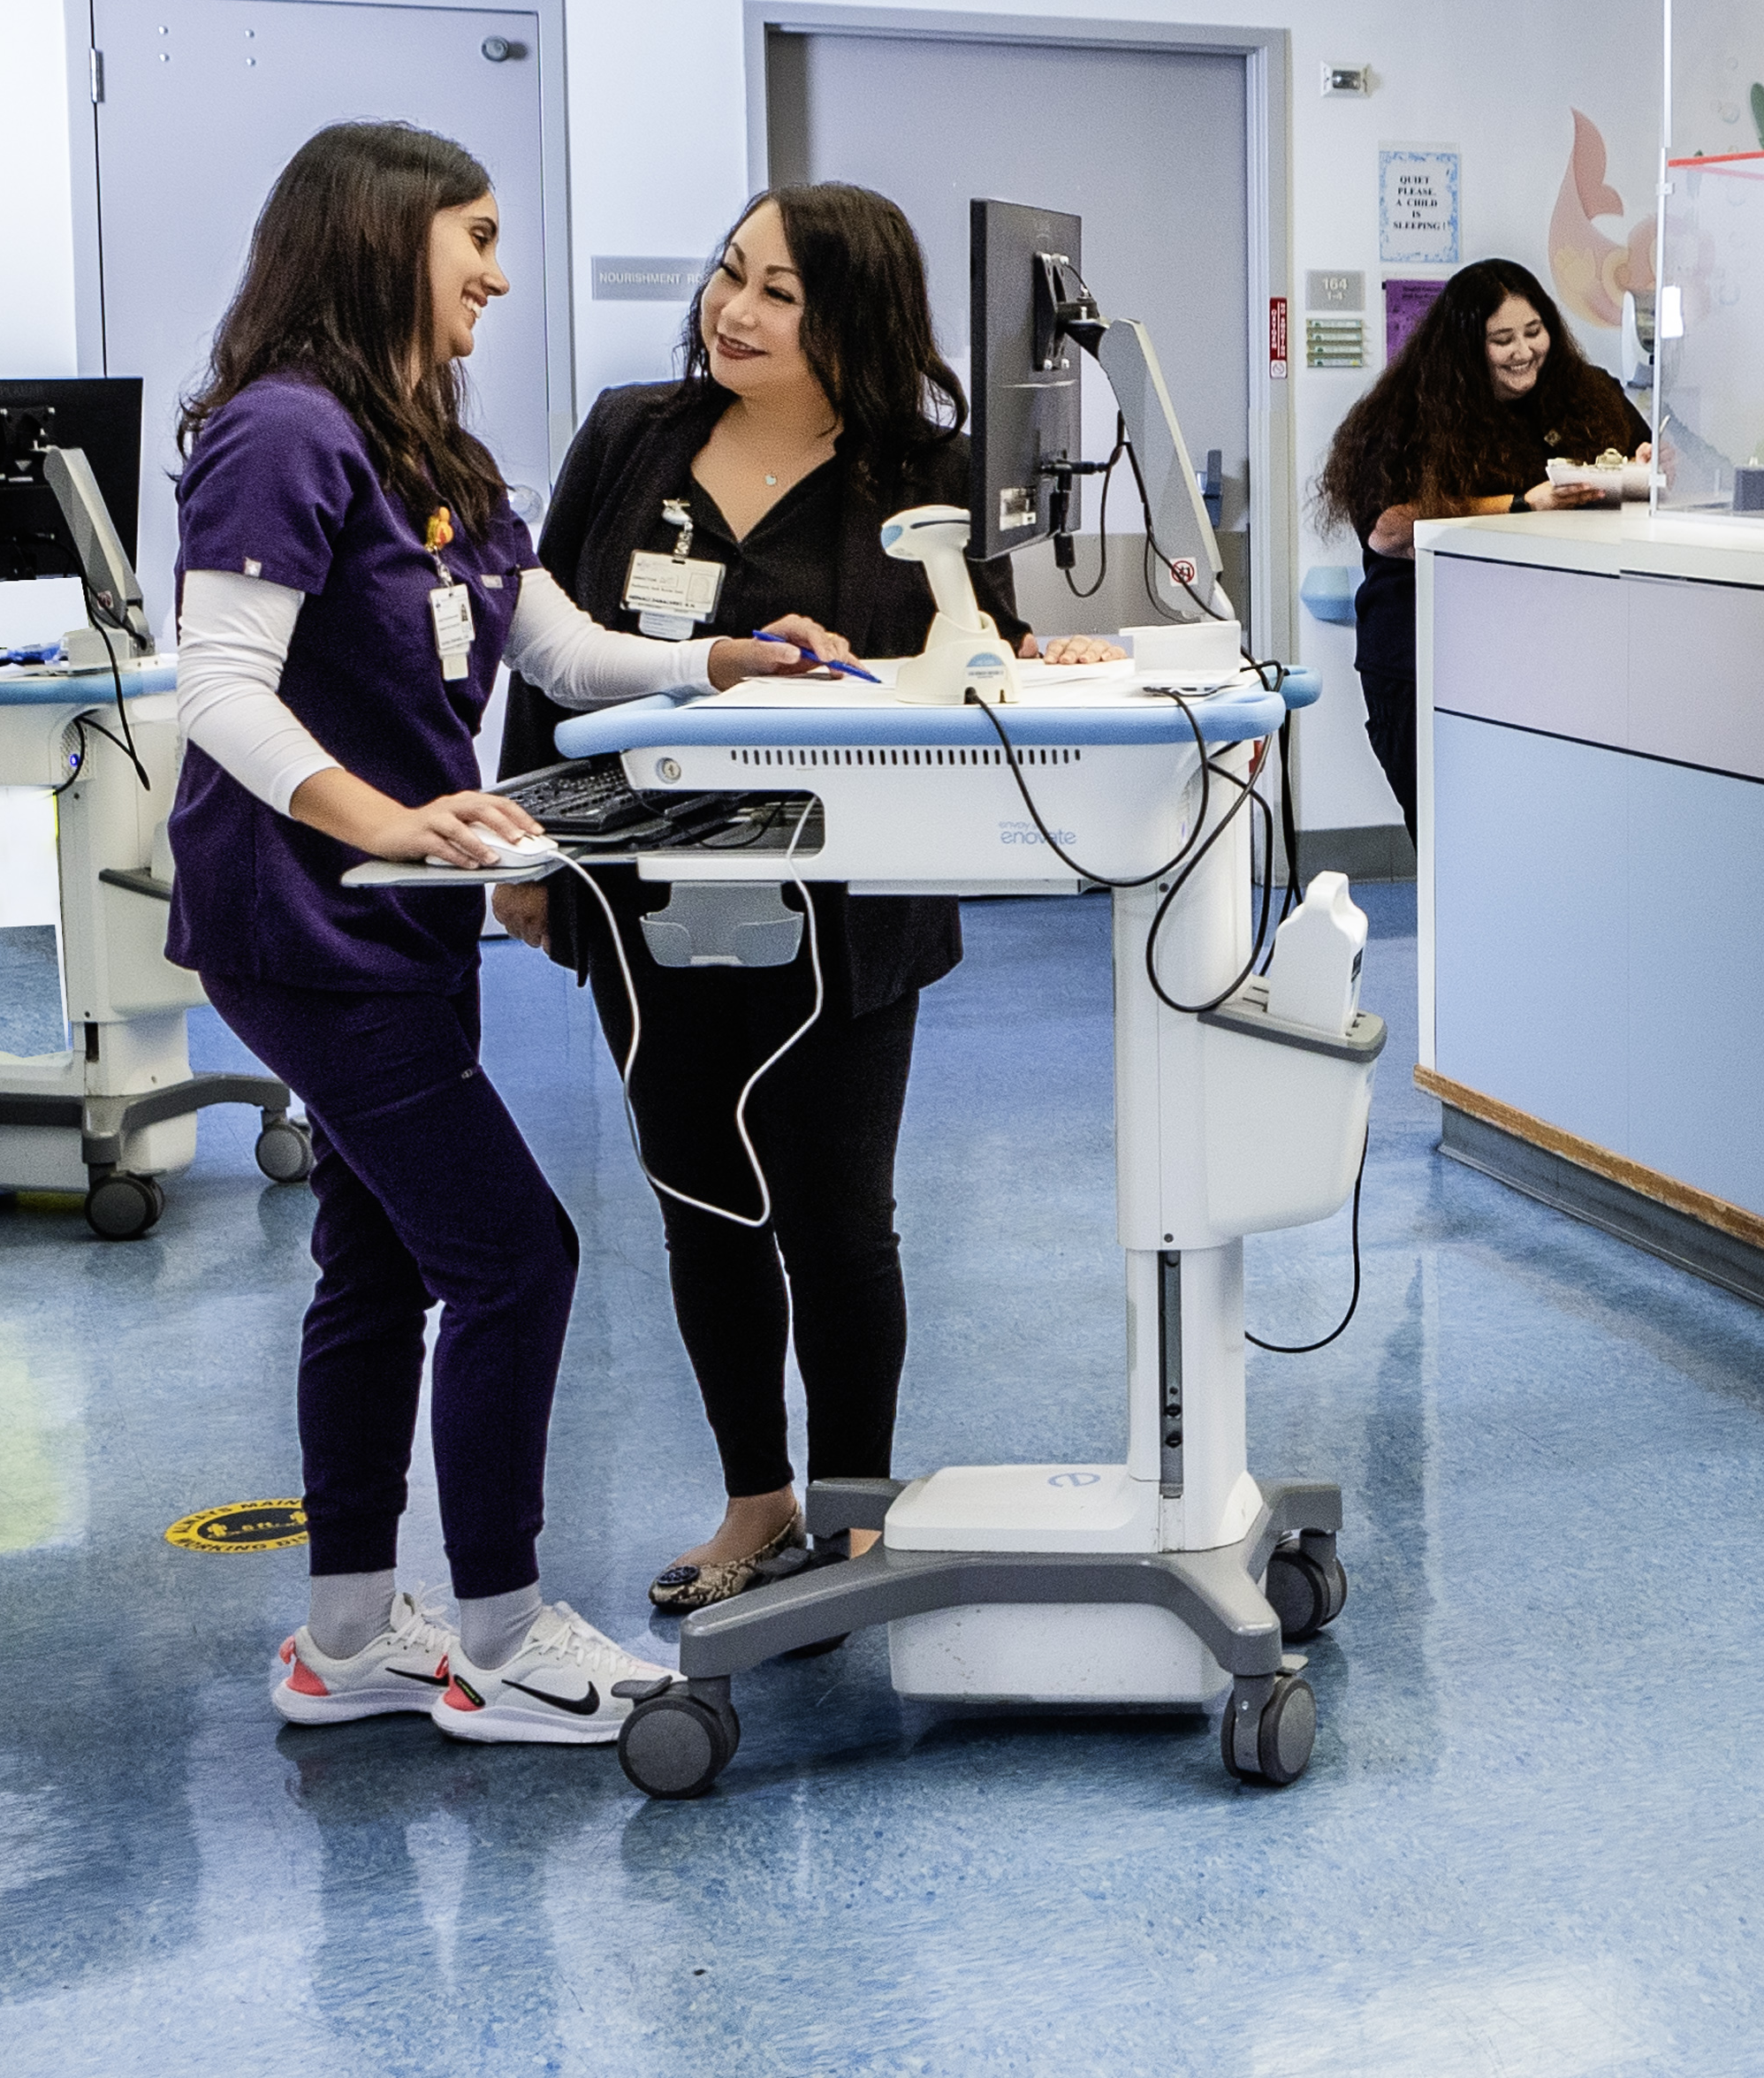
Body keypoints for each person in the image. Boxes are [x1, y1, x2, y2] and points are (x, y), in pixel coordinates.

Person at [165, 121, 822, 1750]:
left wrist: (727, 661)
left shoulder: (426, 448)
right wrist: (386, 817)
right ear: (387, 240)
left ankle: (341, 1639)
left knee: (378, 1254)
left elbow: (578, 651)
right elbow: (218, 691)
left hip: (390, 919)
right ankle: (503, 1635)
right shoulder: (281, 435)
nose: (500, 273)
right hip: (306, 913)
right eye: (475, 236)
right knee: (513, 1255)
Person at [489, 185, 1129, 1615]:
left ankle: (851, 1501)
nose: (737, 310)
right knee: (698, 1198)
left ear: (854, 316)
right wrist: (528, 843)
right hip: (645, 894)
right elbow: (545, 650)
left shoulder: (930, 470)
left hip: (843, 909)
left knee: (839, 1217)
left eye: (779, 291)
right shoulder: (630, 433)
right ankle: (754, 1498)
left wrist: (1046, 660)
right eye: (730, 276)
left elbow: (990, 646)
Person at [1319, 256, 1649, 829]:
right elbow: (1389, 531)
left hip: (1546, 657)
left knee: (1544, 836)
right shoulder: (1406, 416)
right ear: (1466, 347)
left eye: (1534, 332)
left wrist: (1647, 468)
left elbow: (1640, 464)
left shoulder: (1588, 394)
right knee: (1455, 839)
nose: (1523, 352)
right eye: (1501, 339)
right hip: (1429, 658)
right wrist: (1523, 504)